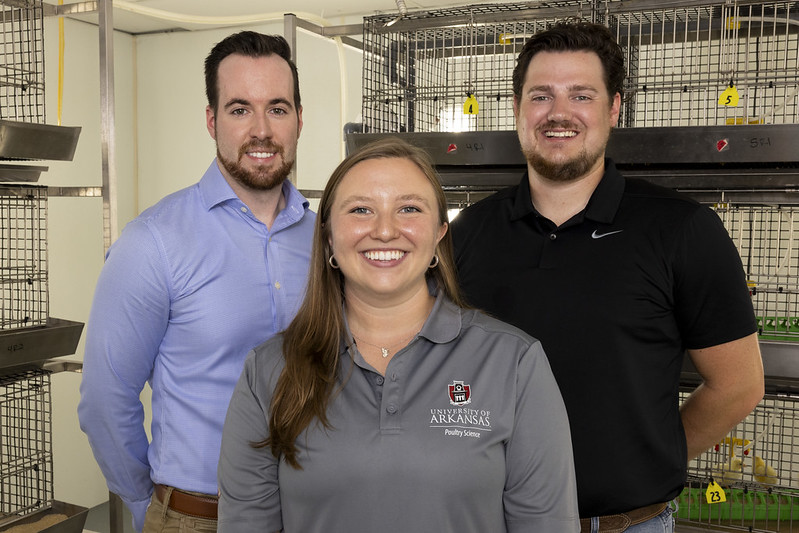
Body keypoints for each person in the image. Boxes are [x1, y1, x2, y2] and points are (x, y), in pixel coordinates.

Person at [451, 21, 764, 533]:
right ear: (516, 109)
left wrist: (650, 457)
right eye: (540, 96)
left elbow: (739, 385)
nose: (559, 113)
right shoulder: (468, 234)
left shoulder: (681, 228)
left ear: (613, 108)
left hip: (626, 524)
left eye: (581, 95)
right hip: (492, 520)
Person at [217, 138, 581, 532]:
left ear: (439, 235)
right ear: (328, 239)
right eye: (360, 210)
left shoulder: (514, 363)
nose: (385, 230)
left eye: (408, 209)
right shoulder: (268, 371)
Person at [78, 31, 313, 533]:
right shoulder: (154, 242)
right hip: (199, 517)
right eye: (238, 109)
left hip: (314, 512)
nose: (261, 130)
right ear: (211, 121)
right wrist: (154, 508)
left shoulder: (327, 241)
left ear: (298, 117)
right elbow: (104, 400)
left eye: (277, 107)